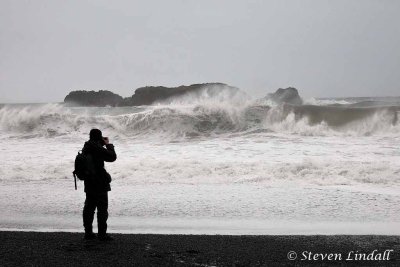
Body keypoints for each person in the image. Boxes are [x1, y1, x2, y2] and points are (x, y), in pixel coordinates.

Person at [82, 128, 117, 241]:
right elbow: (112, 157)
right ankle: (102, 234)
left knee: (89, 208)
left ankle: (88, 233)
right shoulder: (96, 148)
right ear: (99, 137)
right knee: (102, 209)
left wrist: (101, 143)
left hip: (89, 182)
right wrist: (108, 144)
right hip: (99, 182)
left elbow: (97, 151)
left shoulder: (87, 147)